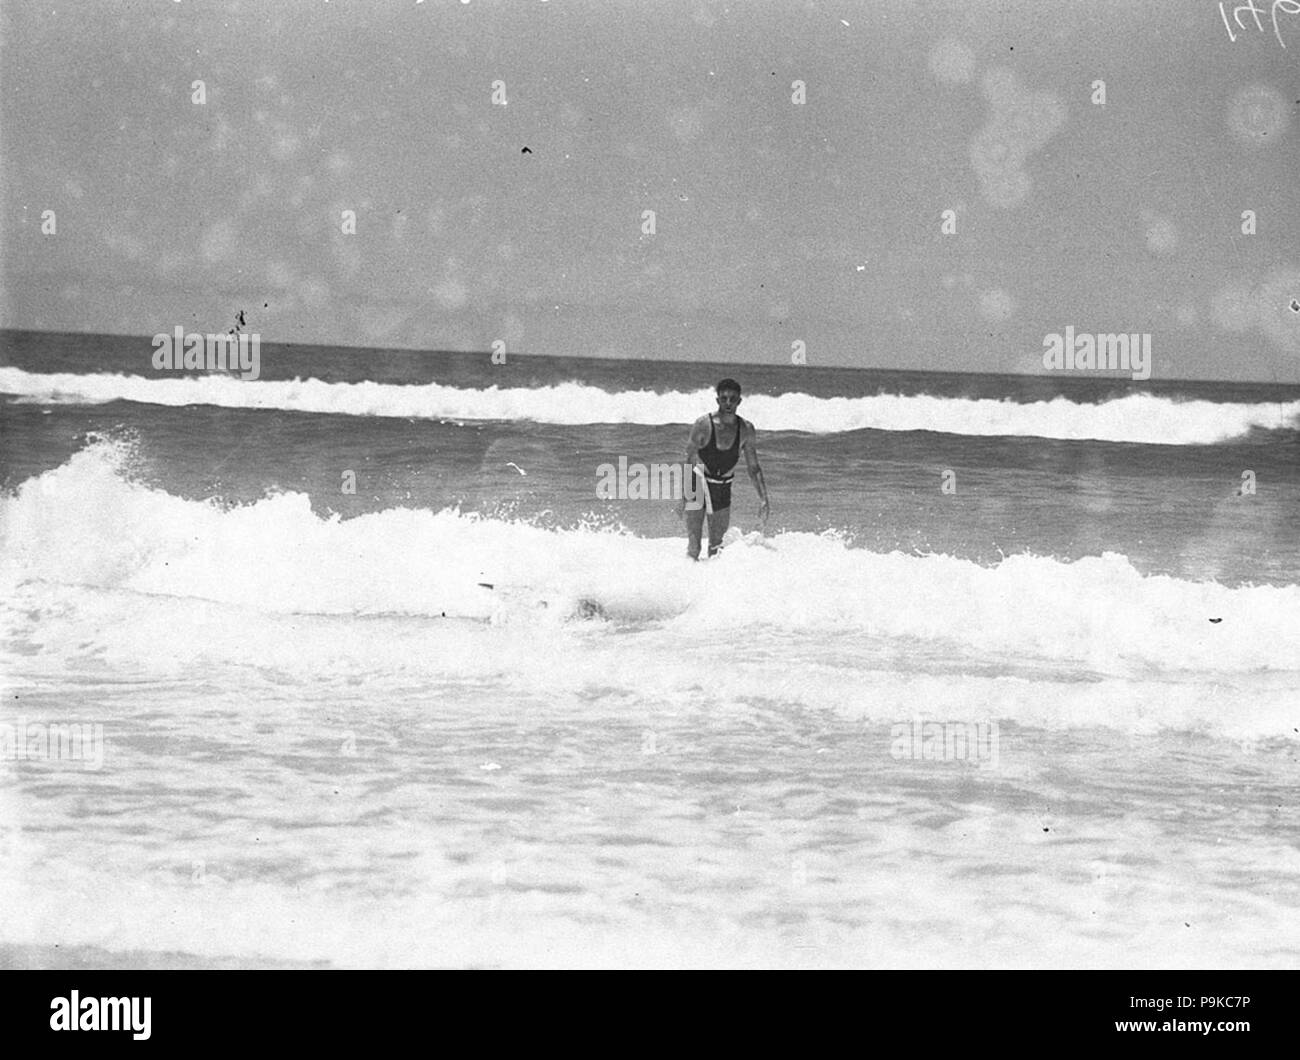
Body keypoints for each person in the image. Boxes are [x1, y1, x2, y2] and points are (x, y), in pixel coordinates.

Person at [676, 378, 770, 559]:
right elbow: (689, 458)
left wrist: (764, 498)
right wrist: (683, 496)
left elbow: (754, 468)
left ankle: (711, 584)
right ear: (717, 400)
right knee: (694, 545)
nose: (728, 403)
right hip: (697, 484)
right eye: (724, 398)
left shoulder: (746, 429)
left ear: (739, 401)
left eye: (733, 399)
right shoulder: (703, 424)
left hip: (722, 488)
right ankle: (688, 581)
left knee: (716, 548)